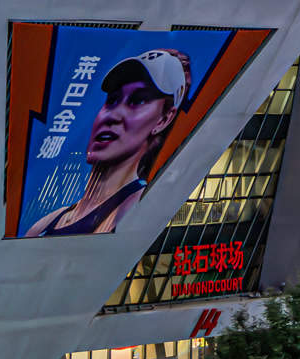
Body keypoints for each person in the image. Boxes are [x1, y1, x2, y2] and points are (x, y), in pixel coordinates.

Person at [26, 49, 191, 237]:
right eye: (112, 100)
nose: (113, 115)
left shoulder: (133, 210)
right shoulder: (48, 221)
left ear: (164, 120)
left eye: (138, 101)